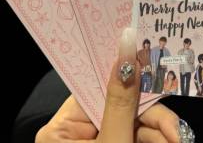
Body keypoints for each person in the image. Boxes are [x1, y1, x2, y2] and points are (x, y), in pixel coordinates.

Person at [35, 27, 194, 143]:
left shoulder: (167, 52)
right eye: (146, 45)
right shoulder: (150, 52)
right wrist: (121, 98)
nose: (147, 46)